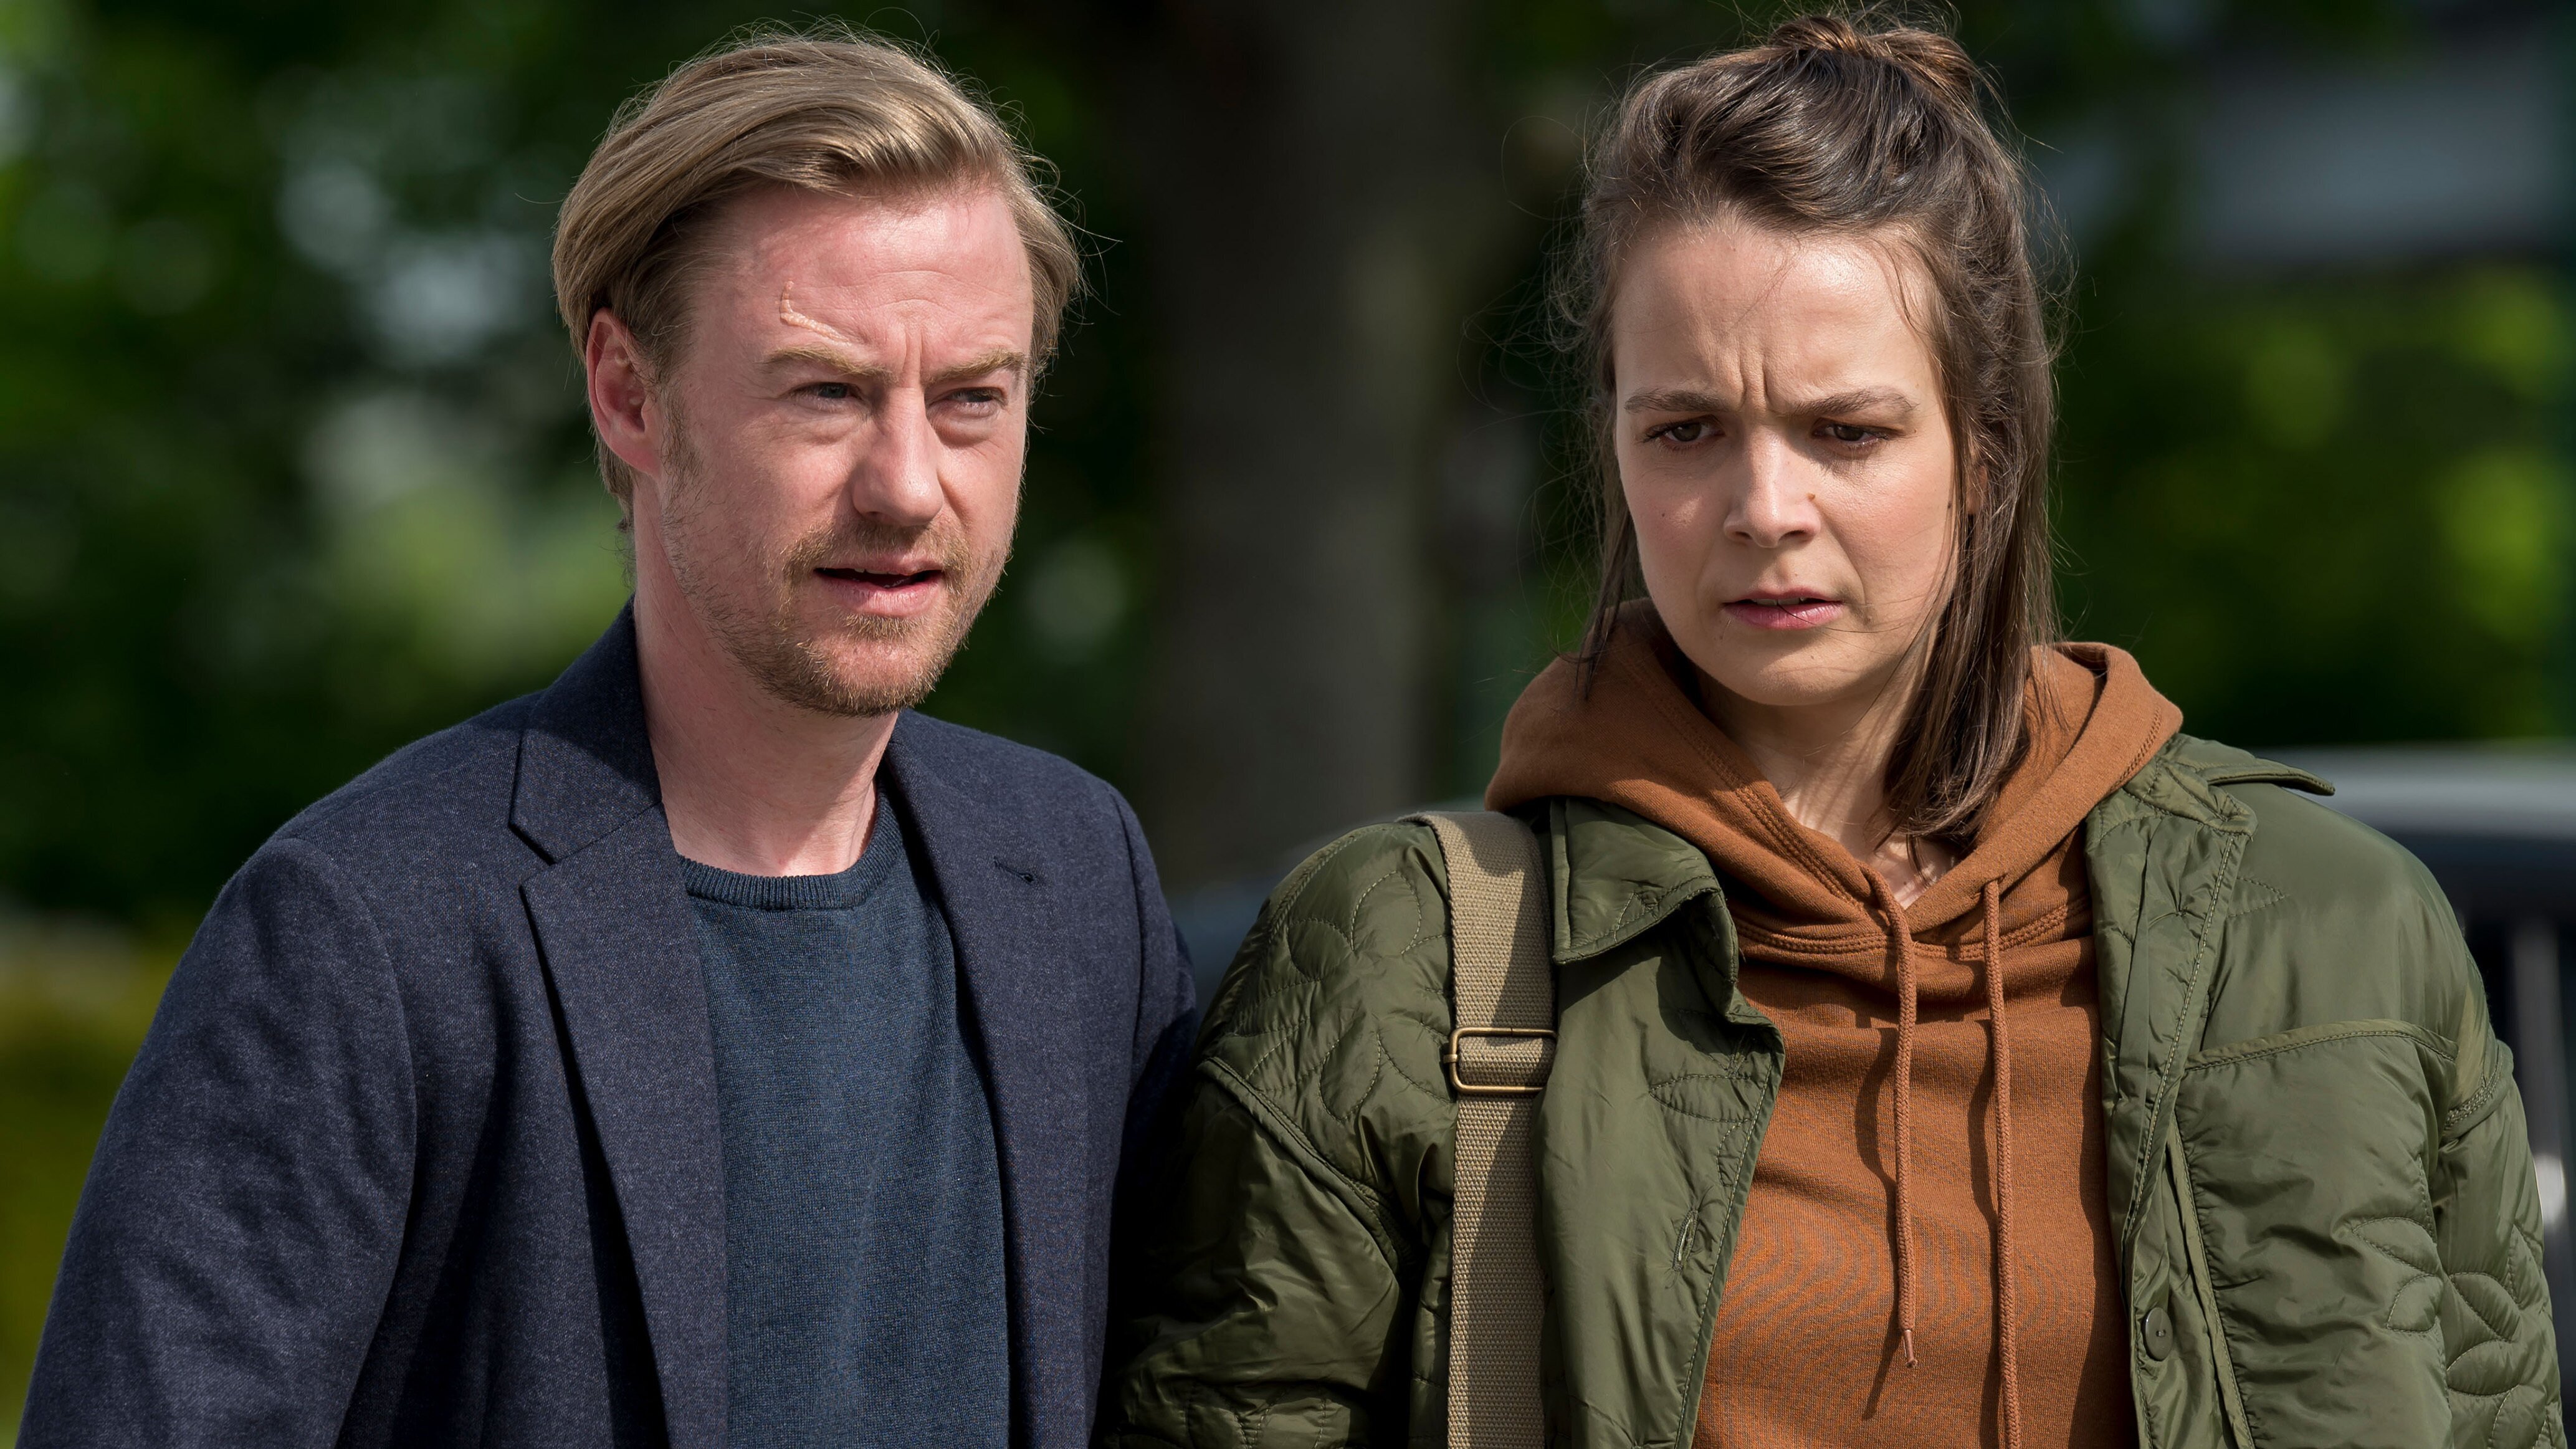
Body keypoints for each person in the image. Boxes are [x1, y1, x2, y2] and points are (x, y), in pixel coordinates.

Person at [1100, 14, 2561, 1449]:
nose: (1764, 508)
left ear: (1985, 450)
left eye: (1845, 431)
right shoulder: (1404, 965)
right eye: (1686, 430)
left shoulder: (2337, 935)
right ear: (1612, 441)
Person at [21, 32, 1195, 1449]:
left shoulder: (1077, 876)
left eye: (971, 399)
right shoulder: (363, 929)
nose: (906, 484)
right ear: (630, 394)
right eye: (825, 391)